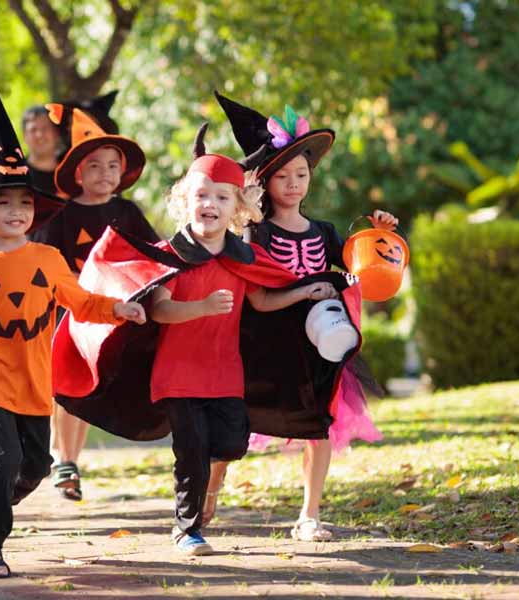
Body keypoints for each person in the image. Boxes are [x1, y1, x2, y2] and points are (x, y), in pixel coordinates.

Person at [0, 92, 146, 579]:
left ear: (35, 212)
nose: (15, 211)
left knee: (34, 466)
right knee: (4, 455)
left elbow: (80, 303)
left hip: (38, 384)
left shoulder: (47, 260)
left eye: (23, 202)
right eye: (2, 203)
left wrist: (119, 309)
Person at [205, 92, 395, 541]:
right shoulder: (256, 232)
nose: (294, 183)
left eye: (302, 174)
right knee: (236, 423)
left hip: (318, 346)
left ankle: (309, 513)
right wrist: (301, 289)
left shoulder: (325, 232)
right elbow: (252, 291)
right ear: (265, 182)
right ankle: (209, 488)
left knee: (320, 423)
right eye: (283, 176)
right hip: (264, 343)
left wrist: (379, 233)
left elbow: (361, 269)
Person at [148, 151, 337, 555]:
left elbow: (264, 301)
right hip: (178, 375)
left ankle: (202, 494)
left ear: (238, 208)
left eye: (221, 198)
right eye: (201, 196)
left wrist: (305, 290)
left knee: (233, 444)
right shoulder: (172, 254)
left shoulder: (242, 257)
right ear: (185, 202)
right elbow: (160, 309)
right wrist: (199, 309)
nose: (209, 205)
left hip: (224, 374)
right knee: (193, 452)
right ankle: (187, 528)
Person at [32, 106, 158, 501]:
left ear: (122, 174)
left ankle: (68, 457)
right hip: (70, 311)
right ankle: (63, 457)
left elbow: (151, 254)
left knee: (87, 387)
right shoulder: (63, 214)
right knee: (68, 383)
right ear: (78, 173)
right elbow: (45, 260)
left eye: (112, 166)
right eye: (95, 165)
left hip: (112, 313)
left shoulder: (127, 212)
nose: (104, 174)